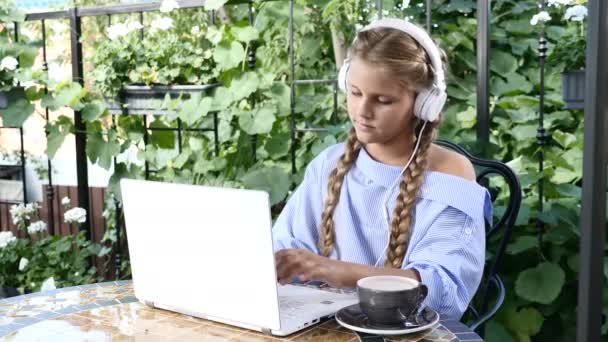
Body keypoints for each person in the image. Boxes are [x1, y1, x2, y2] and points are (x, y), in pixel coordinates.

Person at [272, 17, 492, 321]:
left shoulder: (450, 175)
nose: (362, 111)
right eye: (355, 92)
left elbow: (445, 292)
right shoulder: (328, 164)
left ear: (424, 104)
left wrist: (341, 272)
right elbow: (285, 248)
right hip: (325, 328)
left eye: (383, 100)